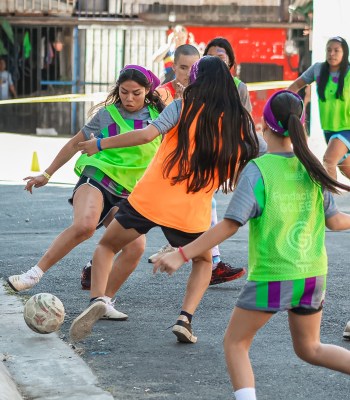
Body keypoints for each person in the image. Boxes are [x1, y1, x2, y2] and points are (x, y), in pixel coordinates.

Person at [153, 90, 350, 400]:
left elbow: (230, 224)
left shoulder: (259, 170)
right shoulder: (311, 168)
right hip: (312, 276)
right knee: (310, 348)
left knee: (235, 343)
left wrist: (182, 253)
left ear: (263, 126)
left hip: (274, 275)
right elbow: (336, 221)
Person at [69, 56, 261, 343]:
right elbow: (262, 151)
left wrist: (99, 144)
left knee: (107, 245)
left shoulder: (181, 107)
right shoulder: (238, 123)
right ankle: (185, 319)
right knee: (204, 261)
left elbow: (145, 135)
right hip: (191, 209)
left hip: (151, 197)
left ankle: (99, 298)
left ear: (195, 80)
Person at [7, 65, 165, 321]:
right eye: (124, 92)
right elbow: (73, 144)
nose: (129, 98)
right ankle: (33, 274)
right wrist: (45, 174)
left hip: (130, 190)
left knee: (136, 246)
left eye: (136, 93)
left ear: (147, 92)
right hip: (98, 176)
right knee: (85, 226)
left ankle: (101, 302)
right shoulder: (107, 115)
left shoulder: (159, 117)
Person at [151, 43, 252, 286]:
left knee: (207, 204)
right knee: (128, 220)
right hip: (159, 167)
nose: (187, 73)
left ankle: (210, 261)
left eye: (192, 67)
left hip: (193, 167)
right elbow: (152, 133)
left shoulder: (216, 95)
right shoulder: (165, 95)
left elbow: (234, 132)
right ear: (173, 67)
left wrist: (232, 169)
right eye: (183, 67)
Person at [288, 36, 350, 180]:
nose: (332, 54)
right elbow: (296, 85)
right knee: (346, 170)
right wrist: (281, 99)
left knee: (329, 161)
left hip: (347, 129)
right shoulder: (318, 69)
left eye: (336, 50)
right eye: (329, 50)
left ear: (344, 53)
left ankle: (329, 201)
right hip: (328, 130)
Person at [203, 37, 252, 113]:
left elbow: (247, 121)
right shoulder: (199, 85)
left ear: (230, 61)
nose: (215, 62)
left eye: (220, 58)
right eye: (210, 57)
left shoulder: (239, 87)